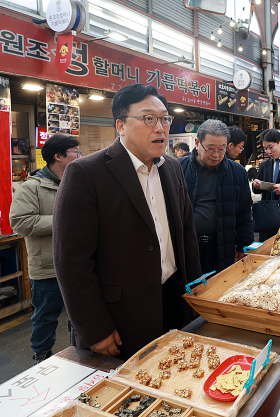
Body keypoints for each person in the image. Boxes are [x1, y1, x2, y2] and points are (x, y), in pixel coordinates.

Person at [53, 83, 201, 359]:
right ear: (121, 125)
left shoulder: (172, 168)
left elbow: (187, 235)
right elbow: (71, 261)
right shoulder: (86, 173)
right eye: (148, 119)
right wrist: (94, 328)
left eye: (165, 119)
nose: (160, 128)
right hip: (120, 316)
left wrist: (195, 296)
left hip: (173, 300)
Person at [9, 134, 80, 364]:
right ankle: (41, 359)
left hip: (79, 265)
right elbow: (20, 222)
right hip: (48, 268)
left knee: (80, 316)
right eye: (75, 152)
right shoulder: (31, 187)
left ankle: (80, 355)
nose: (80, 156)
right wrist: (64, 220)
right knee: (45, 317)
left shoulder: (78, 182)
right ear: (58, 156)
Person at [179, 120, 254, 275]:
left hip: (221, 245)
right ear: (197, 143)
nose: (216, 154)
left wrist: (243, 245)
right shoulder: (177, 168)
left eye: (222, 149)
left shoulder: (237, 172)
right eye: (211, 149)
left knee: (218, 285)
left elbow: (244, 213)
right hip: (186, 244)